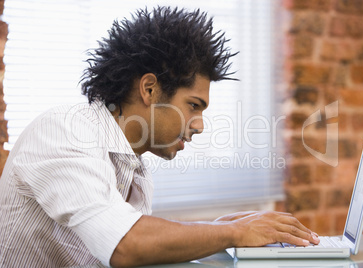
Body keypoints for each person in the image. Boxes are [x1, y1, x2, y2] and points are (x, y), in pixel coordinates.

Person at [0, 6, 319, 268]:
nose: (199, 126)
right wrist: (232, 232)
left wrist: (218, 229)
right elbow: (126, 245)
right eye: (193, 106)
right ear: (149, 89)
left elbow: (135, 246)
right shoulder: (66, 132)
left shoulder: (134, 167)